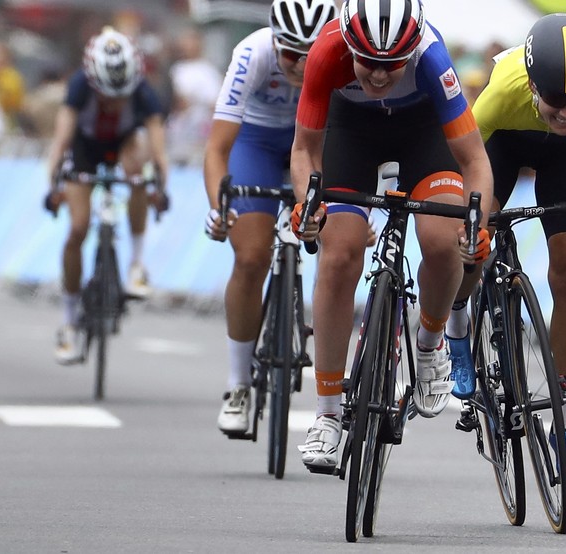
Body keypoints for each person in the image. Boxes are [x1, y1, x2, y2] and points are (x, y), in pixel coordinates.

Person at [289, 0, 494, 472]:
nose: (379, 76)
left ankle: (429, 341)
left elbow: (475, 161)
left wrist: (476, 226)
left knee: (444, 243)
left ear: (411, 49)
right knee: (338, 257)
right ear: (350, 46)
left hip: (423, 132)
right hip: (351, 131)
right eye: (368, 63)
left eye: (391, 65)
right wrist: (307, 204)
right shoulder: (325, 52)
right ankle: (326, 415)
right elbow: (304, 150)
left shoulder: (432, 57)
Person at [450, 13, 566, 482]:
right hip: (501, 147)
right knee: (475, 237)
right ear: (532, 86)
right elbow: (467, 169)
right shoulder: (501, 94)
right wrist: (474, 223)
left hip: (565, 158)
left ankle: (565, 428)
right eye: (555, 101)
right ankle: (458, 321)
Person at [203, 0, 338, 435]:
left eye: (310, 54)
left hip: (317, 138)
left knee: (340, 244)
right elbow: (218, 149)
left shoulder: (341, 53)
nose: (300, 65)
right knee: (250, 258)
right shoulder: (253, 52)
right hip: (258, 142)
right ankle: (238, 386)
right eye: (290, 54)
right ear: (275, 42)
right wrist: (218, 207)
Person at [44, 26, 169, 364]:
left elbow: (159, 150)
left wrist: (160, 185)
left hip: (125, 142)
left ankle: (136, 264)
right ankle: (68, 323)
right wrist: (53, 186)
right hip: (85, 149)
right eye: (107, 96)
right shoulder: (78, 88)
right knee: (78, 228)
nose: (114, 103)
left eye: (121, 96)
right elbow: (60, 143)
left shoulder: (143, 91)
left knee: (140, 170)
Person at [167, 26, 223, 166]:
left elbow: (216, 104)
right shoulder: (176, 70)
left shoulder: (209, 72)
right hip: (178, 135)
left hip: (200, 136)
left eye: (190, 41)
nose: (187, 45)